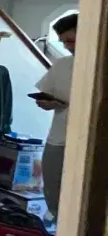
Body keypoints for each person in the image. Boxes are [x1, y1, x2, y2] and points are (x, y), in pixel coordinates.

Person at [35, 13, 77, 220]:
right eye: (63, 42)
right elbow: (44, 97)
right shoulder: (62, 65)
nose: (67, 46)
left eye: (71, 41)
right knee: (53, 193)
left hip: (88, 142)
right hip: (58, 138)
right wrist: (47, 103)